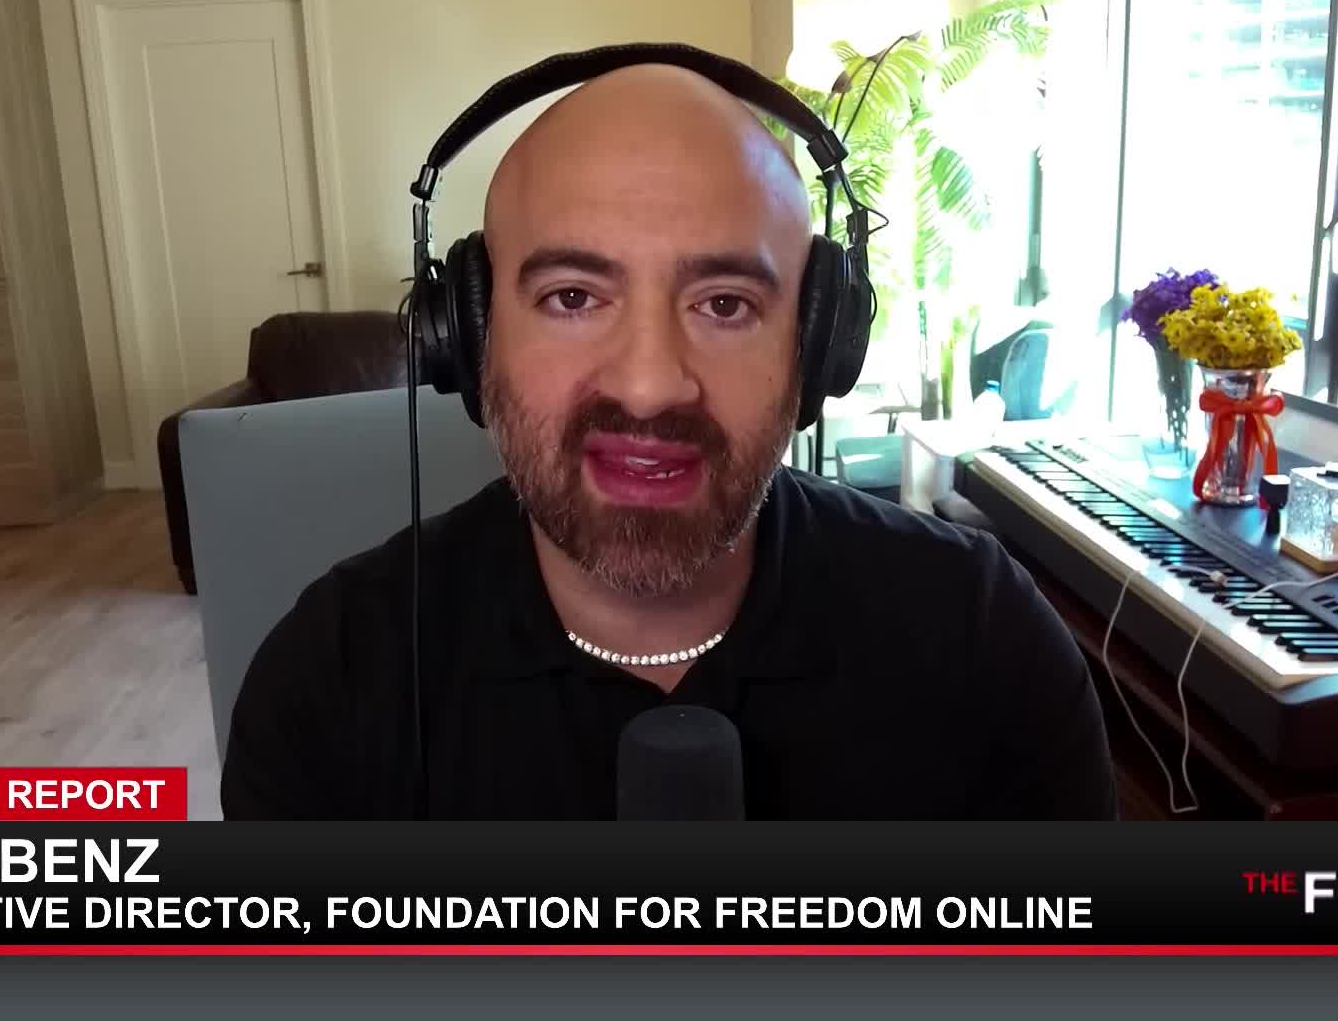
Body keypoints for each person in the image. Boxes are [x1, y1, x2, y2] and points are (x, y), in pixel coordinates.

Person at [220, 55, 1115, 820]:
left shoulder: (984, 645)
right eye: (573, 297)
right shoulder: (328, 686)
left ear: (816, 343)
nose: (649, 386)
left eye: (724, 305)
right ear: (471, 335)